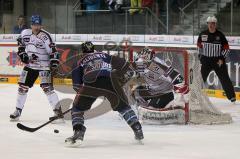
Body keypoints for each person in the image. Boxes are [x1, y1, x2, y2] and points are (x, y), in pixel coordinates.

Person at [65, 41, 144, 145]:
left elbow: (76, 86)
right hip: (111, 80)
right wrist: (120, 81)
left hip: (90, 82)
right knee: (123, 107)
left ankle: (78, 132)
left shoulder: (78, 61)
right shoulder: (105, 55)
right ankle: (137, 128)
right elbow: (125, 65)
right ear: (93, 49)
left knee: (77, 109)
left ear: (82, 51)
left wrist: (84, 98)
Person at [10, 15, 64, 121]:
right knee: (22, 87)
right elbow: (21, 45)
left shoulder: (46, 36)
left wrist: (53, 64)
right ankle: (17, 111)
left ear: (41, 25)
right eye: (34, 24)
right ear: (31, 25)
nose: (36, 27)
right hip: (30, 66)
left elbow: (54, 52)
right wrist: (22, 54)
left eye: (38, 25)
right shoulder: (25, 33)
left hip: (44, 66)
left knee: (47, 88)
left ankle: (58, 112)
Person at [197, 16, 236, 103]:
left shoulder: (220, 35)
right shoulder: (202, 34)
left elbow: (226, 48)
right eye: (209, 23)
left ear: (215, 24)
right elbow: (199, 47)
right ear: (207, 24)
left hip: (218, 60)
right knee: (199, 78)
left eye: (213, 23)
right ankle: (194, 95)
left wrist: (222, 59)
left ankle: (232, 96)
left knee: (225, 78)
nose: (211, 25)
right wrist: (201, 58)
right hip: (206, 60)